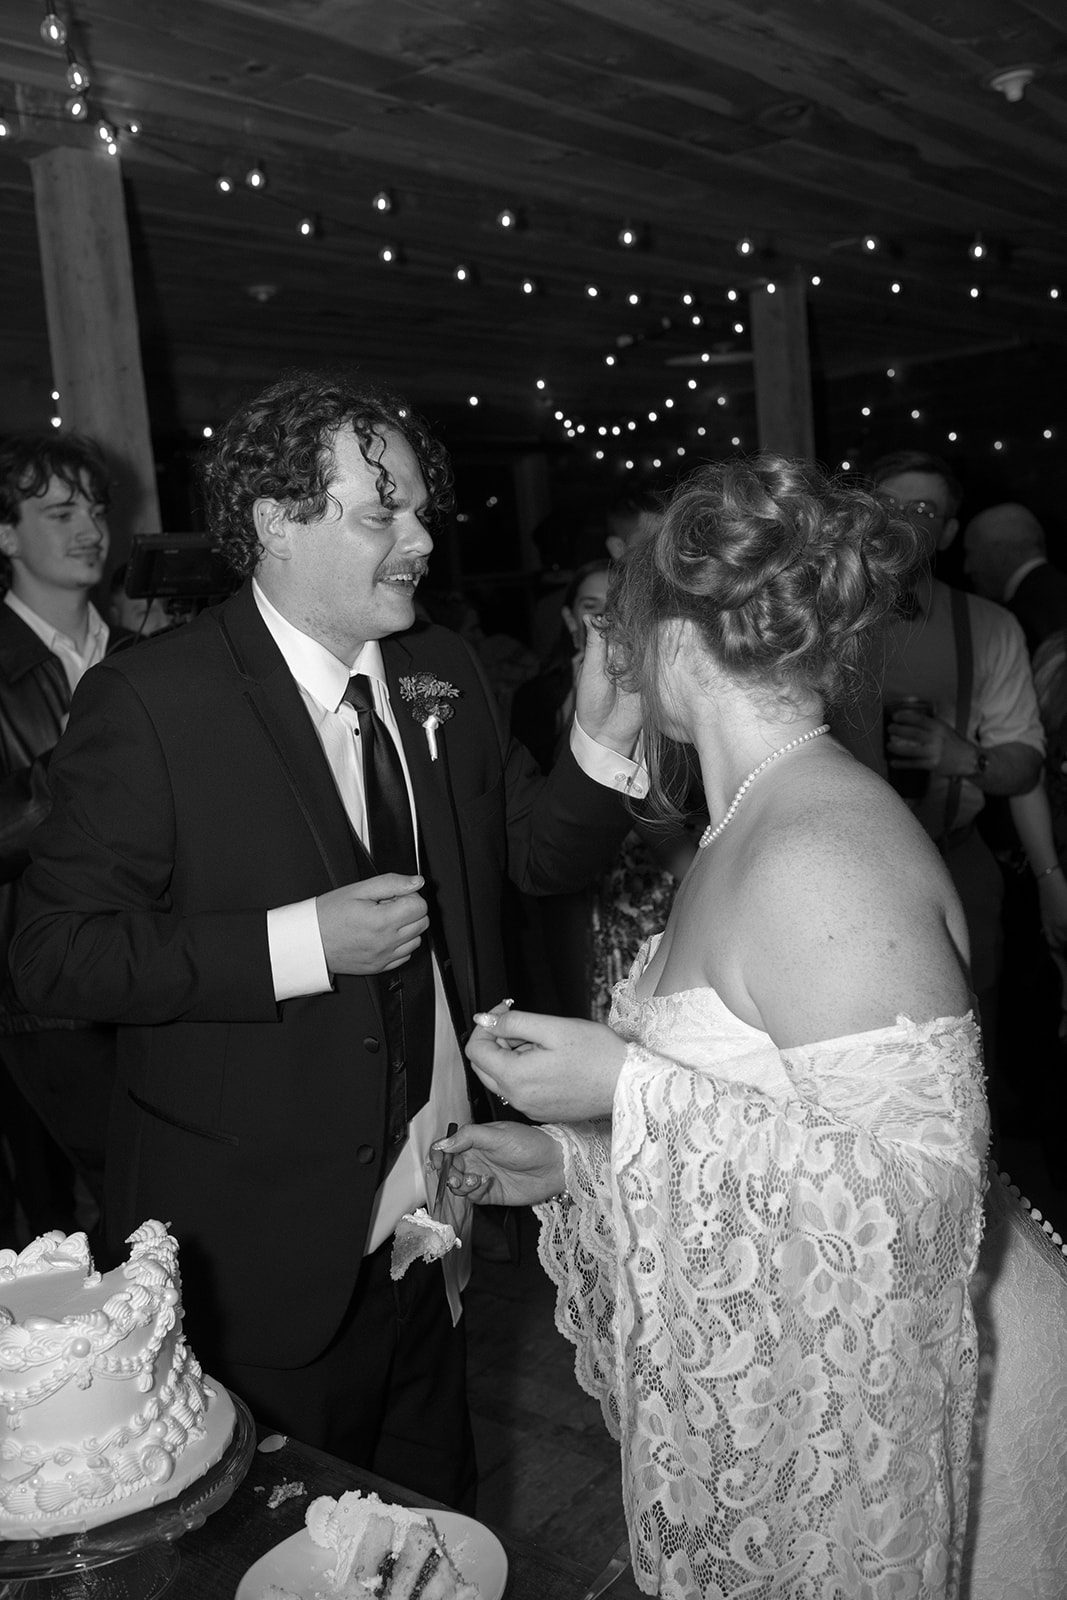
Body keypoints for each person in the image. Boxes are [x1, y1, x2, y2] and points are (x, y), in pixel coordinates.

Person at [434, 456, 1067, 1597]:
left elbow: (917, 1196)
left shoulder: (818, 855)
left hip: (927, 1413)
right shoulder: (748, 813)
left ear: (675, 639)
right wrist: (580, 1159)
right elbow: (772, 1103)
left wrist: (625, 1090)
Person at [9, 370, 641, 1510]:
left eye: (421, 511)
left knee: (431, 1526)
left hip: (434, 1206)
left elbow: (536, 858)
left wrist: (601, 739)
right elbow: (57, 955)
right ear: (277, 521)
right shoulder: (154, 700)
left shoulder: (444, 669)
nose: (422, 540)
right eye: (382, 513)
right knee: (283, 1546)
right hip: (258, 1241)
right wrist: (297, 944)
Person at [0, 431, 126, 1240]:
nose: (90, 529)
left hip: (156, 963)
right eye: (59, 512)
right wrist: (93, 755)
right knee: (64, 1225)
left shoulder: (140, 652)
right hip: (38, 995)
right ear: (6, 536)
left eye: (97, 510)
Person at [962, 502, 1067, 655]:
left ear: (1000, 553)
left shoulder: (1012, 620)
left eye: (970, 553)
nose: (967, 568)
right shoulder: (1058, 590)